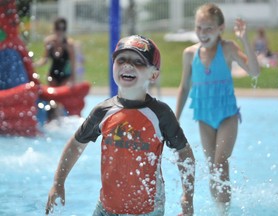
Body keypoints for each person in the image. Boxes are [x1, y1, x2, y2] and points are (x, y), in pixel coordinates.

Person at [45, 35, 195, 216]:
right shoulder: (103, 111)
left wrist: (187, 197)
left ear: (154, 74)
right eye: (121, 60)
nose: (128, 65)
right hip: (106, 208)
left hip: (147, 210)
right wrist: (58, 182)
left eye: (138, 62)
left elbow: (184, 152)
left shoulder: (160, 114)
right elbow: (76, 144)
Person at [175, 3, 260, 214]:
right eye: (199, 28)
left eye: (208, 28)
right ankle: (220, 208)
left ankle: (224, 211)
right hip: (204, 116)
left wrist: (244, 39)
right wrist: (174, 118)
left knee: (221, 163)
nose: (203, 34)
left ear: (220, 28)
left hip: (227, 115)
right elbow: (184, 87)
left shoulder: (228, 48)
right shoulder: (189, 54)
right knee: (213, 167)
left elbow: (254, 72)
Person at [34, 17, 76, 87]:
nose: (60, 31)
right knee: (53, 94)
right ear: (54, 29)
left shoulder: (69, 44)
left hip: (65, 76)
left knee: (62, 95)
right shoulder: (49, 42)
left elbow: (73, 64)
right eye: (58, 28)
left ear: (65, 30)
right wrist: (33, 64)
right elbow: (44, 60)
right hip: (52, 76)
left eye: (62, 29)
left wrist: (73, 79)